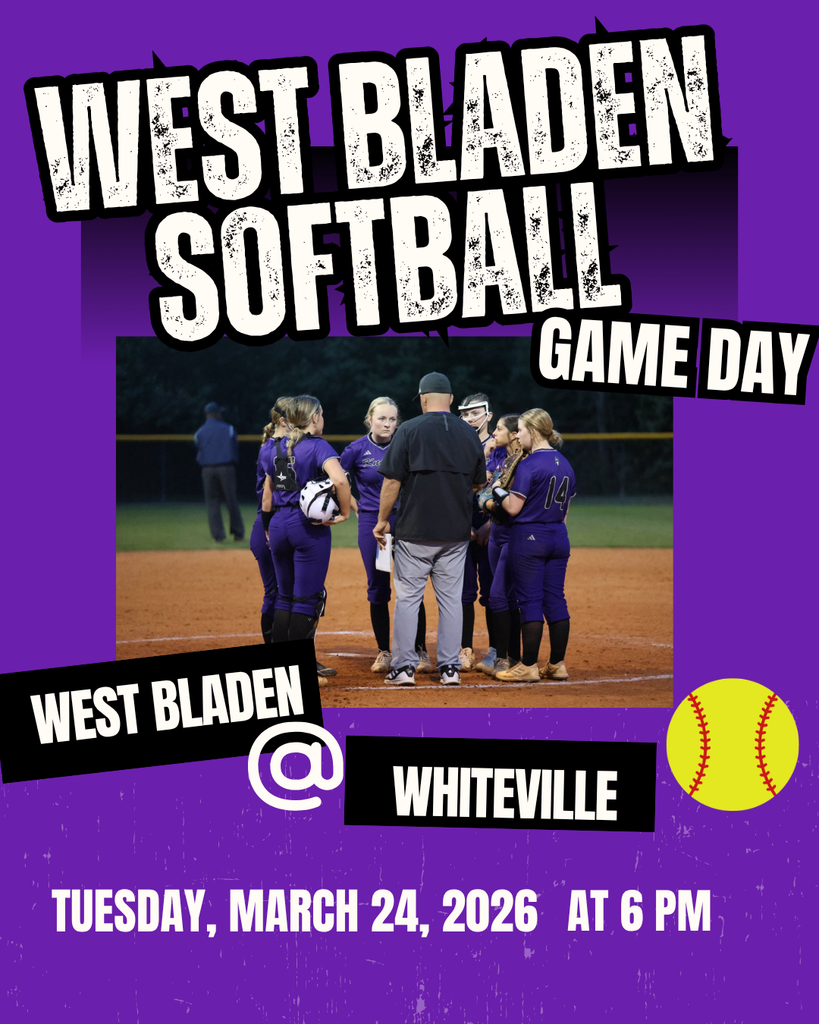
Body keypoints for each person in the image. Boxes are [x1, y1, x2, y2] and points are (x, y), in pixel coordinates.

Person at [374, 372, 486, 687]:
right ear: (450, 399)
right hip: (456, 532)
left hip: (415, 530)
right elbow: (479, 482)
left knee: (408, 597)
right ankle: (450, 668)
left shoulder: (408, 429)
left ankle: (404, 669)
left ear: (423, 398)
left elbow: (392, 480)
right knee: (451, 600)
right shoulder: (469, 434)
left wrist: (382, 521)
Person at [341, 398, 433, 674]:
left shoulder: (406, 443)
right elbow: (339, 481)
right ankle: (384, 651)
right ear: (370, 418)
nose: (388, 424)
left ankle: (420, 651)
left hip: (404, 521)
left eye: (393, 419)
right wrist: (356, 508)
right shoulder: (355, 449)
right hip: (373, 524)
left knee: (411, 585)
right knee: (379, 586)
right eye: (382, 418)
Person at [264, 396, 351, 670]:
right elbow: (340, 480)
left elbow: (269, 493)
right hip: (306, 528)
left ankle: (280, 668)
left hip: (278, 524)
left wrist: (269, 527)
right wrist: (345, 513)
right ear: (314, 418)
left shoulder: (275, 446)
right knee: (305, 598)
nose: (323, 419)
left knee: (284, 596)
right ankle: (300, 667)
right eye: (321, 414)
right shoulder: (316, 445)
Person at [490, 409, 577, 683]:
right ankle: (557, 664)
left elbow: (513, 508)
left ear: (534, 432)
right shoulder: (565, 463)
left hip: (529, 538)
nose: (519, 435)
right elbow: (565, 513)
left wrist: (497, 492)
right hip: (558, 536)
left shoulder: (529, 465)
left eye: (523, 430)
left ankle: (527, 665)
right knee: (555, 600)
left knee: (529, 600)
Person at [479, 414, 524, 677]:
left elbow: (498, 500)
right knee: (505, 597)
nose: (494, 433)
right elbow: (484, 492)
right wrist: (488, 499)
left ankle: (508, 656)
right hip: (496, 531)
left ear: (515, 434)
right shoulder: (505, 461)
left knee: (500, 595)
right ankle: (506, 656)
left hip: (511, 533)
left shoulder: (523, 464)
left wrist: (488, 500)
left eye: (499, 429)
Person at [457, 392, 499, 673]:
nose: (470, 418)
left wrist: (491, 524)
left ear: (489, 414)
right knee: (462, 593)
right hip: (460, 525)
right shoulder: (456, 446)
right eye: (465, 413)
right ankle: (465, 648)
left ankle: (496, 650)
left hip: (490, 525)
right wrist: (461, 525)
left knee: (494, 592)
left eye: (476, 412)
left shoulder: (503, 449)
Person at [194, 401, 245, 543]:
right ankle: (238, 534)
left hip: (207, 470)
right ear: (215, 413)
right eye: (219, 412)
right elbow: (234, 446)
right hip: (226, 467)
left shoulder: (199, 432)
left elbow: (199, 448)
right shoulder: (228, 428)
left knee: (212, 502)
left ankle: (218, 535)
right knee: (231, 500)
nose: (220, 414)